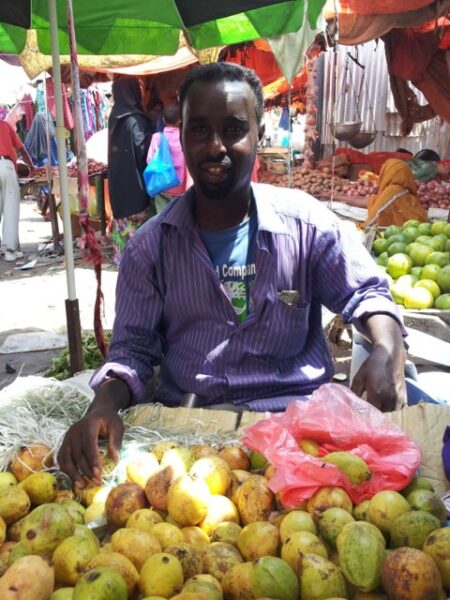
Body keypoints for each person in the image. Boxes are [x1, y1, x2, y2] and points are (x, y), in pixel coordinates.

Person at [58, 63, 407, 486]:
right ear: (181, 135)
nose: (215, 147)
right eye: (200, 130)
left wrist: (386, 352)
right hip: (191, 432)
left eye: (234, 128)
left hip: (301, 428)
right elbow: (132, 351)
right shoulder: (151, 247)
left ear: (259, 134)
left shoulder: (307, 224)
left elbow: (368, 295)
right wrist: (102, 406)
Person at [108, 75, 154, 265]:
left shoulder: (115, 117)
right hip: (137, 191)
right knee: (142, 241)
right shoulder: (136, 120)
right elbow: (143, 151)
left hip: (119, 189)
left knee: (123, 234)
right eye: (139, 87)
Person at [337, 159, 427, 227]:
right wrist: (337, 197)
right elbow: (367, 201)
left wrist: (365, 227)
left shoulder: (393, 191)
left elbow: (376, 214)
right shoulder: (404, 192)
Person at [0, 118, 34, 262]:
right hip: (5, 166)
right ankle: (9, 249)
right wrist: (32, 167)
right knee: (10, 209)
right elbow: (22, 149)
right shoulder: (5, 125)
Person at [146, 104, 191, 213]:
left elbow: (149, 160)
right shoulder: (185, 137)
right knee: (180, 216)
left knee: (162, 216)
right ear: (180, 120)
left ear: (163, 120)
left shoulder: (157, 137)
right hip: (181, 185)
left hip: (163, 184)